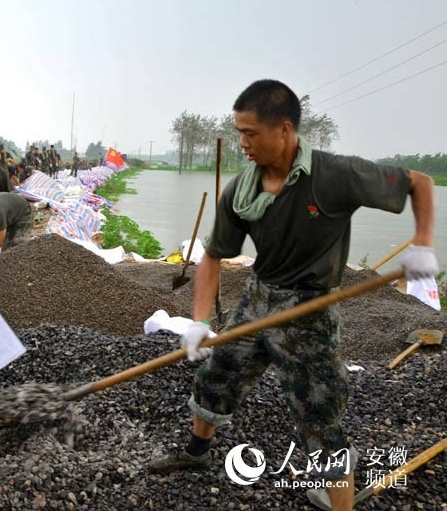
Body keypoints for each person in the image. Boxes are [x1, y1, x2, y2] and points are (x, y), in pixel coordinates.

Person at [147, 79, 437, 511]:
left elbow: (420, 182)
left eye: (250, 133)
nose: (242, 143)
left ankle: (340, 504)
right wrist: (201, 322)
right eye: (239, 132)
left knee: (321, 418)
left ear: (284, 130)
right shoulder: (242, 190)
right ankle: (195, 454)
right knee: (216, 376)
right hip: (258, 299)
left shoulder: (337, 175)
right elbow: (211, 258)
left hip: (309, 313)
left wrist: (423, 243)